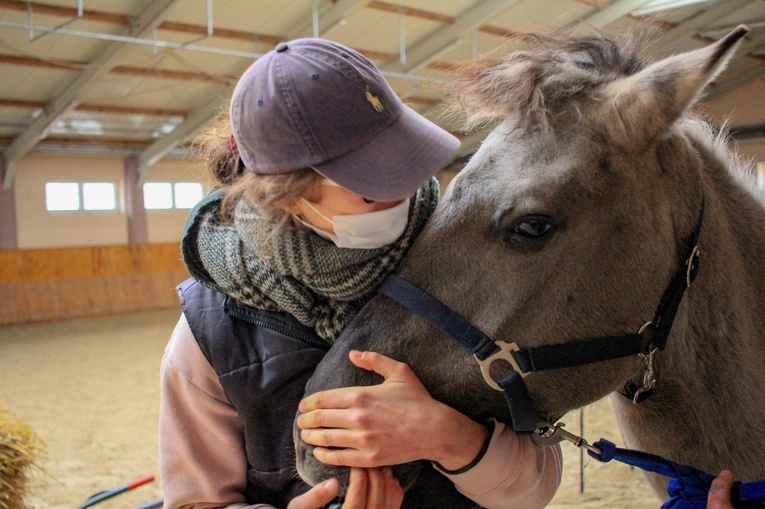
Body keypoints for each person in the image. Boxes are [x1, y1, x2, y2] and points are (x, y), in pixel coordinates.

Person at [159, 38, 562, 509]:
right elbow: (193, 501)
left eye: (407, 164)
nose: (406, 192)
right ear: (289, 196)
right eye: (372, 187)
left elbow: (539, 486)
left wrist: (453, 439)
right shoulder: (208, 333)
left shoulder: (469, 263)